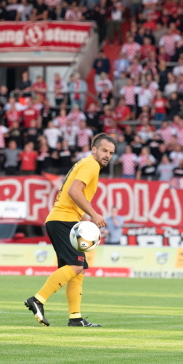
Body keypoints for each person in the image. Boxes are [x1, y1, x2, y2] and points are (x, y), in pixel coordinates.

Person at [25, 133, 116, 328]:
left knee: (78, 270)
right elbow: (73, 192)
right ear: (94, 150)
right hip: (63, 220)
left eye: (111, 152)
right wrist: (94, 215)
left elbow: (74, 201)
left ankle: (75, 317)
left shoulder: (87, 164)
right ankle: (38, 299)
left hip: (65, 219)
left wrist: (87, 220)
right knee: (76, 266)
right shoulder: (91, 164)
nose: (107, 155)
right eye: (104, 151)